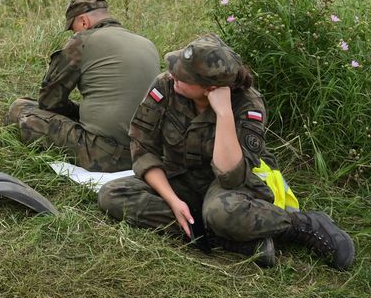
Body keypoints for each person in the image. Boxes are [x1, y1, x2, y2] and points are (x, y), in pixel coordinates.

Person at [98, 34, 355, 269]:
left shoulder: (247, 104)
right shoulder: (165, 86)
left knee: (220, 212)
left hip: (231, 189)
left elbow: (230, 176)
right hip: (181, 179)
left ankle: (302, 226)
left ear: (210, 88)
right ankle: (229, 239)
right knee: (113, 194)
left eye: (183, 75)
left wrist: (223, 113)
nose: (172, 75)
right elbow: (143, 147)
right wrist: (173, 201)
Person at [4, 0, 160, 172]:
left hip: (108, 156)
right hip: (145, 154)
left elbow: (49, 101)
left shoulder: (83, 40)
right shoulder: (146, 43)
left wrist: (72, 113)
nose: (74, 33)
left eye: (73, 28)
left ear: (84, 22)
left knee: (20, 107)